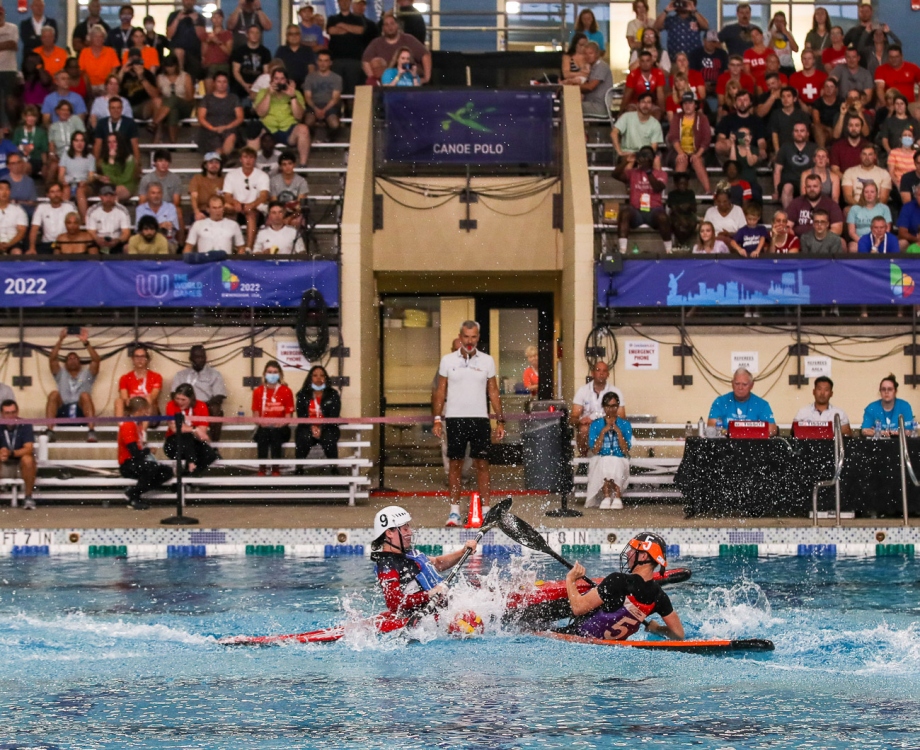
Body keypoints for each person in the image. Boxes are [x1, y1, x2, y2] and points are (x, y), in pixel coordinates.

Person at [431, 320, 505, 527]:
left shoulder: (487, 361)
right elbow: (440, 391)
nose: (470, 341)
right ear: (460, 337)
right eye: (466, 337)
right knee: (455, 465)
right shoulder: (447, 360)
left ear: (478, 337)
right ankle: (454, 511)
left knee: (482, 465)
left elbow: (493, 391)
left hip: (480, 419)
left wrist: (500, 421)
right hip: (455, 419)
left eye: (473, 337)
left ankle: (486, 510)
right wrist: (437, 419)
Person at [562, 533, 684, 642]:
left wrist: (571, 580)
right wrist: (657, 628)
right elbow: (679, 635)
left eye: (632, 550)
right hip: (608, 650)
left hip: (572, 639)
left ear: (643, 557)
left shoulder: (617, 581)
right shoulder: (659, 596)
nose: (627, 552)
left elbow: (577, 608)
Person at [371, 505, 478, 616]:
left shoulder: (408, 554)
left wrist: (463, 552)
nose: (410, 533)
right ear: (389, 533)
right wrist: (429, 594)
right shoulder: (387, 564)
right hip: (424, 617)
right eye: (405, 529)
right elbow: (394, 603)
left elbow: (437, 563)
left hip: (443, 609)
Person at [45, 327, 100, 442]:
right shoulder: (61, 374)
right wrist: (60, 340)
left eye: (75, 358)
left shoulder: (87, 374)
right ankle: (50, 431)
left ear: (80, 362)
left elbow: (96, 360)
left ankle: (91, 432)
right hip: (63, 409)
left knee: (85, 395)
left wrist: (86, 342)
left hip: (81, 410)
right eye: (69, 358)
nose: (72, 360)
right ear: (65, 363)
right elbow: (52, 359)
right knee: (53, 394)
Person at [118, 396, 173, 510]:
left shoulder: (137, 425)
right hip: (128, 464)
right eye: (145, 411)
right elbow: (134, 453)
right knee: (151, 468)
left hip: (137, 461)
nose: (147, 414)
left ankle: (133, 492)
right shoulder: (128, 425)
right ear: (139, 411)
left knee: (167, 471)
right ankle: (134, 496)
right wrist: (149, 450)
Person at [614, 145, 671, 254]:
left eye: (648, 155)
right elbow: (615, 175)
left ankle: (669, 250)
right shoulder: (633, 172)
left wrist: (648, 171)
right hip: (636, 211)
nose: (645, 157)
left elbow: (658, 187)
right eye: (643, 154)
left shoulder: (661, 173)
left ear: (653, 158)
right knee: (624, 213)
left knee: (663, 217)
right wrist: (626, 161)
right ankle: (622, 251)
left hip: (654, 211)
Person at [253, 67, 311, 167]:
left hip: (288, 129)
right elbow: (260, 113)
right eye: (276, 79)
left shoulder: (295, 93)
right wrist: (268, 95)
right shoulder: (263, 92)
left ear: (286, 80)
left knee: (303, 129)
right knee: (254, 130)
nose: (279, 82)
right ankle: (253, 166)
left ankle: (303, 165)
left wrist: (292, 97)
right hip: (268, 130)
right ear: (271, 80)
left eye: (282, 79)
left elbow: (299, 116)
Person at [584, 392, 632, 510]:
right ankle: (606, 497)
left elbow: (625, 450)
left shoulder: (625, 424)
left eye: (614, 406)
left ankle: (617, 497)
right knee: (605, 461)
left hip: (620, 457)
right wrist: (603, 432)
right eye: (608, 406)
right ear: (604, 407)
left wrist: (618, 432)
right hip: (600, 457)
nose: (611, 409)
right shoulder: (596, 424)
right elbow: (595, 450)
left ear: (618, 406)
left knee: (614, 462)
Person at [571, 361, 625, 456]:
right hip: (588, 427)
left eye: (604, 371)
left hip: (608, 425)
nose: (601, 373)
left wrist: (600, 421)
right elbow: (573, 417)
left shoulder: (616, 392)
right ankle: (584, 459)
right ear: (592, 373)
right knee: (583, 429)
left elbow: (622, 418)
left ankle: (609, 457)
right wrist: (581, 421)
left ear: (608, 374)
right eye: (598, 370)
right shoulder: (582, 391)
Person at [164, 383, 218, 476]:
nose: (179, 402)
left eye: (183, 399)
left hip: (193, 443)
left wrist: (190, 429)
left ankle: (188, 476)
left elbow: (202, 433)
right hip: (174, 444)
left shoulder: (201, 406)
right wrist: (194, 429)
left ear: (191, 399)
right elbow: (175, 428)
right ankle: (191, 463)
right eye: (177, 398)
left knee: (211, 455)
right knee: (186, 435)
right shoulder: (171, 405)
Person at [294, 364, 341, 472]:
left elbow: (334, 415)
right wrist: (312, 427)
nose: (319, 378)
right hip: (307, 427)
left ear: (326, 378)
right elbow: (301, 416)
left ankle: (334, 467)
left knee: (329, 438)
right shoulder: (302, 395)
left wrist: (321, 428)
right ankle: (299, 467)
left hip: (327, 427)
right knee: (303, 436)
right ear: (310, 378)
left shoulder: (333, 394)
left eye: (322, 375)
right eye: (315, 375)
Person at [362, 11, 430, 84]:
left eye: (392, 23)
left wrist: (426, 78)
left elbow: (425, 55)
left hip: (409, 79)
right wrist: (374, 79)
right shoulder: (376, 43)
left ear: (397, 25)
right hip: (387, 80)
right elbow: (365, 61)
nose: (390, 27)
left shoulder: (409, 39)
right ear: (383, 28)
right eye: (386, 24)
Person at [251, 360, 293, 476]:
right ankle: (262, 468)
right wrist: (261, 423)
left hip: (281, 428)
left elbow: (288, 416)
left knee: (275, 433)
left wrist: (281, 423)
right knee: (264, 433)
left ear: (280, 374)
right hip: (264, 427)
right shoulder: (258, 391)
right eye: (269, 372)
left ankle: (275, 469)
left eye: (275, 372)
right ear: (264, 374)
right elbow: (255, 415)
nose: (272, 374)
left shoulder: (286, 391)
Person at [223, 146, 270, 250]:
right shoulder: (231, 175)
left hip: (255, 208)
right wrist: (236, 203)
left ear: (255, 159)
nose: (248, 160)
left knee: (251, 214)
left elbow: (263, 196)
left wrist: (251, 205)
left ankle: (248, 248)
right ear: (241, 159)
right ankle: (231, 247)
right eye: (245, 157)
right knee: (226, 208)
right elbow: (227, 196)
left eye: (251, 157)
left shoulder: (262, 175)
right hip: (236, 207)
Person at [708, 368, 777, 435]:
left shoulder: (762, 405)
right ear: (732, 384)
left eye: (744, 384)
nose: (740, 388)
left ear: (751, 385)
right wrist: (729, 432)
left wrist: (742, 433)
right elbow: (711, 426)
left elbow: (772, 430)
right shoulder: (720, 402)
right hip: (727, 443)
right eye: (737, 384)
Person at [327, 0, 371, 97]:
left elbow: (359, 30)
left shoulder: (358, 18)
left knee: (353, 93)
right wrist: (351, 29)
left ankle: (352, 112)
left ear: (350, 2)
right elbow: (332, 30)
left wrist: (342, 25)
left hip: (354, 60)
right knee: (336, 92)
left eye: (347, 0)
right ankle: (337, 112)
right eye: (342, 1)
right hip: (336, 60)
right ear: (338, 2)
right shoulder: (332, 18)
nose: (344, 2)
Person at [0, 399, 37, 510]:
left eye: (13, 412)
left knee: (28, 459)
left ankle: (28, 497)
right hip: (4, 464)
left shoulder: (25, 425)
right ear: (2, 414)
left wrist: (11, 453)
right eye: (7, 413)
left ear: (17, 412)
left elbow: (28, 448)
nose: (11, 416)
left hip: (21, 465)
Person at [714, 89, 766, 164]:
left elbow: (761, 141)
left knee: (761, 152)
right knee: (719, 146)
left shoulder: (757, 121)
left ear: (750, 103)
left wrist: (762, 149)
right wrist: (731, 143)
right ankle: (732, 166)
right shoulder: (727, 119)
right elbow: (720, 138)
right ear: (735, 104)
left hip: (751, 152)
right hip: (732, 151)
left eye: (745, 100)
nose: (742, 103)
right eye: (739, 100)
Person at [198, 71, 243, 157]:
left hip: (230, 127)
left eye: (224, 82)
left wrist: (226, 127)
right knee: (215, 144)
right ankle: (223, 159)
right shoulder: (207, 99)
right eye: (219, 82)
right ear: (214, 83)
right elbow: (201, 117)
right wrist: (213, 128)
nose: (222, 84)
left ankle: (223, 158)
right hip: (210, 129)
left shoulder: (234, 98)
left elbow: (240, 117)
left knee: (231, 135)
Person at [773, 121, 817, 208]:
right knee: (787, 188)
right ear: (793, 133)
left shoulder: (814, 148)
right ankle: (789, 217)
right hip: (790, 181)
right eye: (796, 131)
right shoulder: (785, 147)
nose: (799, 133)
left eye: (802, 131)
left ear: (807, 133)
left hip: (808, 182)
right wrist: (776, 191)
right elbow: (777, 170)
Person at [303, 50, 343, 139]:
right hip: (313, 106)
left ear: (330, 62)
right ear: (317, 62)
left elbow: (335, 98)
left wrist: (324, 110)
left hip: (330, 106)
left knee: (335, 124)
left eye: (325, 61)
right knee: (308, 122)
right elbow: (308, 97)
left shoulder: (337, 78)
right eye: (320, 60)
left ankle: (329, 140)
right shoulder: (310, 77)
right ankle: (311, 139)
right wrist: (316, 109)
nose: (322, 64)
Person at [28, 181, 75, 254]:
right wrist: (32, 248)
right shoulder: (41, 207)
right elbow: (34, 229)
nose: (56, 194)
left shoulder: (69, 207)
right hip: (47, 244)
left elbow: (75, 227)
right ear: (48, 195)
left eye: (58, 191)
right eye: (52, 192)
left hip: (65, 243)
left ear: (62, 193)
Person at [116, 345, 162, 417]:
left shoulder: (156, 376)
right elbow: (124, 396)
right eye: (137, 357)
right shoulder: (125, 378)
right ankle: (122, 427)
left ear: (147, 359)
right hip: (132, 408)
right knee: (119, 401)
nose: (139, 359)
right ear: (132, 359)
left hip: (150, 411)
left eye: (142, 357)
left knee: (149, 398)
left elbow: (154, 395)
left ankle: (143, 428)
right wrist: (128, 400)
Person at [874, 46, 920, 118]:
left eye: (896, 57)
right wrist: (886, 104)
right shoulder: (881, 69)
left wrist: (918, 102)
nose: (894, 59)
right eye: (891, 57)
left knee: (918, 113)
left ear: (902, 56)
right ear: (887, 57)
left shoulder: (913, 67)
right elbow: (879, 89)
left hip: (910, 104)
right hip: (891, 104)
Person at [613, 91, 663, 158]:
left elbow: (653, 147)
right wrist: (619, 152)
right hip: (627, 153)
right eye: (643, 102)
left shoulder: (656, 124)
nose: (645, 105)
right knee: (630, 162)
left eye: (648, 102)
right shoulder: (627, 116)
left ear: (652, 106)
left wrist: (641, 157)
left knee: (657, 160)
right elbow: (614, 133)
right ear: (637, 104)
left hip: (645, 155)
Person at [84, 184, 131, 254]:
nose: (108, 198)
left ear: (115, 197)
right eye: (105, 195)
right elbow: (91, 232)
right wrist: (98, 239)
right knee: (92, 248)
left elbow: (126, 232)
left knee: (127, 247)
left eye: (111, 196)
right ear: (100, 197)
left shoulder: (123, 210)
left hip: (116, 242)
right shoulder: (92, 211)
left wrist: (118, 240)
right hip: (98, 242)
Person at [569, 41, 611, 119]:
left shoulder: (601, 66)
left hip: (598, 107)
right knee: (569, 103)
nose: (587, 56)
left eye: (590, 53)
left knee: (569, 106)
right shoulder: (593, 67)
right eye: (585, 54)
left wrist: (573, 87)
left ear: (597, 54)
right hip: (590, 104)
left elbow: (590, 87)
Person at [842, 145, 891, 211]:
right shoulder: (849, 172)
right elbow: (847, 197)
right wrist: (860, 207)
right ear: (860, 156)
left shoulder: (884, 173)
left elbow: (884, 198)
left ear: (875, 156)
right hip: (856, 206)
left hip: (876, 207)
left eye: (870, 154)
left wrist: (871, 208)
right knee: (847, 210)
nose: (867, 158)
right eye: (864, 154)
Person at [166, 0, 207, 77]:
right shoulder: (173, 15)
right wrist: (177, 19)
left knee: (194, 76)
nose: (188, 2)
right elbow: (169, 35)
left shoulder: (200, 17)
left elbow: (202, 37)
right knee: (179, 52)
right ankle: (180, 75)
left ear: (194, 1)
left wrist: (195, 21)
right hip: (176, 54)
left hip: (194, 54)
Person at [847, 181, 892, 252]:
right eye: (866, 192)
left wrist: (878, 241)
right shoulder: (854, 209)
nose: (869, 194)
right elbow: (851, 232)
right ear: (862, 194)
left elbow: (887, 229)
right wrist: (863, 242)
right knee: (853, 248)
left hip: (880, 239)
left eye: (872, 192)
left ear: (876, 193)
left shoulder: (884, 208)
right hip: (859, 240)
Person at [230, 25, 270, 100]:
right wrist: (244, 85)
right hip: (241, 86)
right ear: (247, 34)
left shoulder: (265, 52)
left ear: (260, 35)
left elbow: (266, 72)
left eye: (257, 33)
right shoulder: (239, 51)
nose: (255, 35)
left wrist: (256, 87)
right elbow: (235, 71)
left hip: (259, 87)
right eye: (252, 32)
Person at [78, 26, 120, 96]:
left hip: (106, 85)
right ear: (90, 38)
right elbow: (82, 72)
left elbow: (114, 71)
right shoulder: (84, 52)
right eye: (95, 37)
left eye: (101, 37)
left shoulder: (111, 51)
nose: (98, 39)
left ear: (104, 39)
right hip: (88, 86)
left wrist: (107, 87)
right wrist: (89, 88)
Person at [621, 50, 666, 114]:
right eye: (642, 61)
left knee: (657, 112)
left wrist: (663, 112)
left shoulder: (658, 73)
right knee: (630, 110)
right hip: (635, 103)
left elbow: (660, 94)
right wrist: (621, 112)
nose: (645, 64)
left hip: (652, 103)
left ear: (652, 62)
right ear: (639, 62)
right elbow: (627, 95)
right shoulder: (632, 74)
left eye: (648, 61)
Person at [0, 6, 20, 138]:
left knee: (10, 101)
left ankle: (14, 127)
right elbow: (8, 44)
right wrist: (5, 44)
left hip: (9, 70)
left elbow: (13, 44)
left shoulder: (12, 27)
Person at [275, 23, 315, 88]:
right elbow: (276, 68)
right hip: (284, 85)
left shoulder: (308, 50)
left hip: (304, 86)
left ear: (300, 36)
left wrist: (307, 84)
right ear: (287, 36)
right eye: (291, 34)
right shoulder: (281, 50)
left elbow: (311, 70)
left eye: (297, 34)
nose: (294, 36)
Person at [202, 9, 233, 89]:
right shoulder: (206, 34)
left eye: (218, 17)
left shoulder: (227, 34)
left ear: (222, 18)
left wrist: (218, 41)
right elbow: (203, 52)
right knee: (209, 93)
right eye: (214, 17)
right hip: (209, 65)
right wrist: (207, 42)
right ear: (211, 19)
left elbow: (229, 52)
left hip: (222, 65)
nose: (216, 20)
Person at [666, 171, 697, 249]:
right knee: (677, 225)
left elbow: (694, 209)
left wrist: (689, 205)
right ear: (676, 184)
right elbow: (673, 208)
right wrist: (681, 218)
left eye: (685, 184)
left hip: (688, 215)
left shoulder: (690, 193)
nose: (683, 186)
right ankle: (682, 243)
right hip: (675, 215)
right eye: (681, 184)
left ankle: (682, 243)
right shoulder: (672, 194)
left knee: (693, 224)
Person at [811, 76, 842, 148]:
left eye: (831, 87)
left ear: (836, 89)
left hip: (838, 129)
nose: (829, 89)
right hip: (823, 130)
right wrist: (828, 129)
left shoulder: (841, 102)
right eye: (827, 86)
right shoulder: (817, 103)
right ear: (823, 88)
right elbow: (816, 121)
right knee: (816, 128)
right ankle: (822, 150)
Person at [0, 180, 28, 255]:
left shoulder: (18, 210)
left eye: (7, 189)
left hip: (13, 243)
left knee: (17, 252)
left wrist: (9, 244)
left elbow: (21, 231)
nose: (4, 192)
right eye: (1, 189)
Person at [6, 154, 37, 220]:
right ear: (8, 166)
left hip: (27, 215)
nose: (16, 165)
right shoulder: (3, 181)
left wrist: (16, 201)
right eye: (13, 163)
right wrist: (24, 202)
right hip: (8, 215)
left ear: (22, 164)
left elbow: (32, 202)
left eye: (18, 162)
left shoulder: (29, 181)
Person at [767, 11, 797, 75]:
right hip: (775, 67)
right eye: (777, 21)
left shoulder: (789, 34)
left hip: (789, 66)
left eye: (781, 21)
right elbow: (768, 51)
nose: (779, 23)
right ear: (774, 22)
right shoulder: (768, 34)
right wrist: (773, 37)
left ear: (785, 22)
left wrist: (786, 33)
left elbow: (796, 49)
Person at [897, 183, 920, 250]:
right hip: (913, 242)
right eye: (919, 195)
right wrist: (917, 240)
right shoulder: (907, 207)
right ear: (915, 196)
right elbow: (902, 233)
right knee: (902, 243)